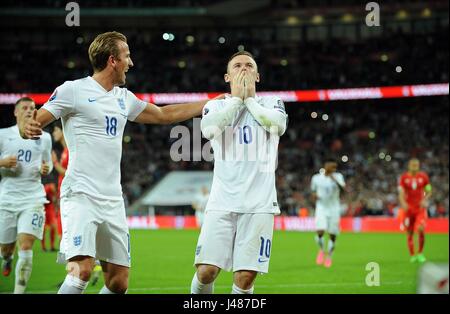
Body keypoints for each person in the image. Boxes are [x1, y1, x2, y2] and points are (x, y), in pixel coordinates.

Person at [19, 31, 221, 294]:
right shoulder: (73, 90)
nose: (131, 62)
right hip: (81, 193)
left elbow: (163, 114)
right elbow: (38, 119)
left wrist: (211, 103)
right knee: (81, 271)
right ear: (113, 60)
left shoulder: (123, 98)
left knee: (118, 283)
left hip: (112, 198)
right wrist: (27, 127)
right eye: (127, 56)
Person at [190, 51, 287, 294]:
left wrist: (249, 100)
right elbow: (209, 129)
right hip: (222, 201)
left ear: (258, 76)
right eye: (237, 66)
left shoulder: (272, 102)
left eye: (249, 65)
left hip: (259, 204)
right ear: (227, 76)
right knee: (206, 271)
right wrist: (236, 100)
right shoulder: (216, 105)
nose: (243, 69)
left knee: (245, 278)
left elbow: (278, 125)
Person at [0, 97, 53, 293]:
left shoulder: (44, 138)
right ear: (15, 112)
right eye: (25, 107)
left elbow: (47, 165)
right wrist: (3, 163)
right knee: (6, 249)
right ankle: (7, 259)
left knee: (26, 246)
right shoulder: (3, 135)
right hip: (6, 199)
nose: (30, 110)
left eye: (33, 107)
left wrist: (46, 169)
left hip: (33, 198)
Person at [311, 159, 346, 268]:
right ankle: (321, 250)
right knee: (320, 231)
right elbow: (313, 191)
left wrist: (334, 179)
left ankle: (329, 256)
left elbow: (343, 190)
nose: (332, 168)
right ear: (325, 166)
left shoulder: (338, 177)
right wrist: (314, 197)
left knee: (332, 235)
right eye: (331, 166)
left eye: (334, 167)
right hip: (321, 207)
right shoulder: (316, 178)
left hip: (334, 208)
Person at [398, 158, 432, 263]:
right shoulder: (404, 178)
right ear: (409, 165)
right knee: (410, 232)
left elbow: (429, 191)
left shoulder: (424, 177)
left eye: (416, 164)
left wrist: (425, 199)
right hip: (408, 208)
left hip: (420, 208)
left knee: (421, 229)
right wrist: (403, 202)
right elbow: (401, 192)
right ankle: (413, 255)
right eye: (412, 164)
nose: (414, 166)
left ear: (419, 165)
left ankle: (420, 253)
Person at [51, 124, 68, 238]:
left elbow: (69, 173)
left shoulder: (71, 150)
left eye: (56, 130)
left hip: (69, 194)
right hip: (63, 192)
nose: (53, 133)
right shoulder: (64, 151)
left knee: (65, 232)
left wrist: (55, 163)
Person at [41, 182, 58, 252]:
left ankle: (52, 246)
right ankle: (43, 247)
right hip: (43, 208)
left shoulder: (52, 189)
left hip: (50, 208)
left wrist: (56, 207)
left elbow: (54, 198)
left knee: (53, 227)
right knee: (43, 229)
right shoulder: (47, 187)